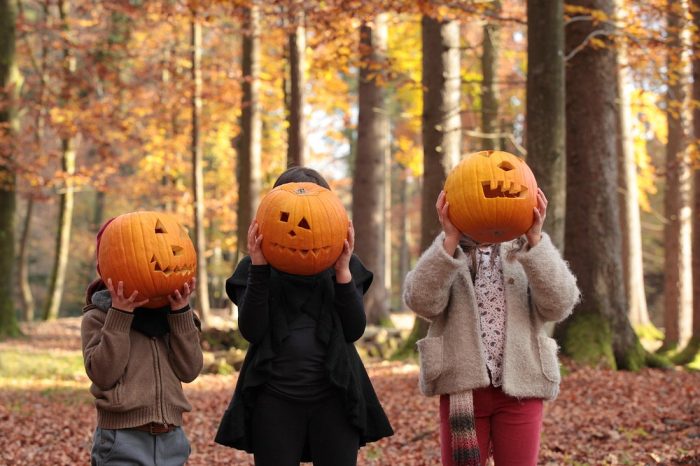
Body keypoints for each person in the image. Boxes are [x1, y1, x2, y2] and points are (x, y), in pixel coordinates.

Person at [215, 166, 393, 466]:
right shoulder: (254, 270)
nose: (301, 226)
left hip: (335, 397)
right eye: (286, 214)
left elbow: (353, 330)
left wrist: (343, 273)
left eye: (314, 214)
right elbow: (252, 331)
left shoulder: (344, 268)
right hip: (274, 400)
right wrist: (259, 267)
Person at [403, 189, 580, 466]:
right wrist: (449, 240)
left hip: (522, 387)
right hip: (462, 388)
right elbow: (422, 302)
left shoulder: (526, 249)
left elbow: (559, 305)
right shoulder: (451, 250)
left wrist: (535, 240)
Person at [81, 233, 203, 466]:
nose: (152, 260)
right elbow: (103, 374)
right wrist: (120, 316)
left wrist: (180, 313)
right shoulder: (98, 316)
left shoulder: (176, 316)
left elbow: (190, 370)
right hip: (121, 440)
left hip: (172, 439)